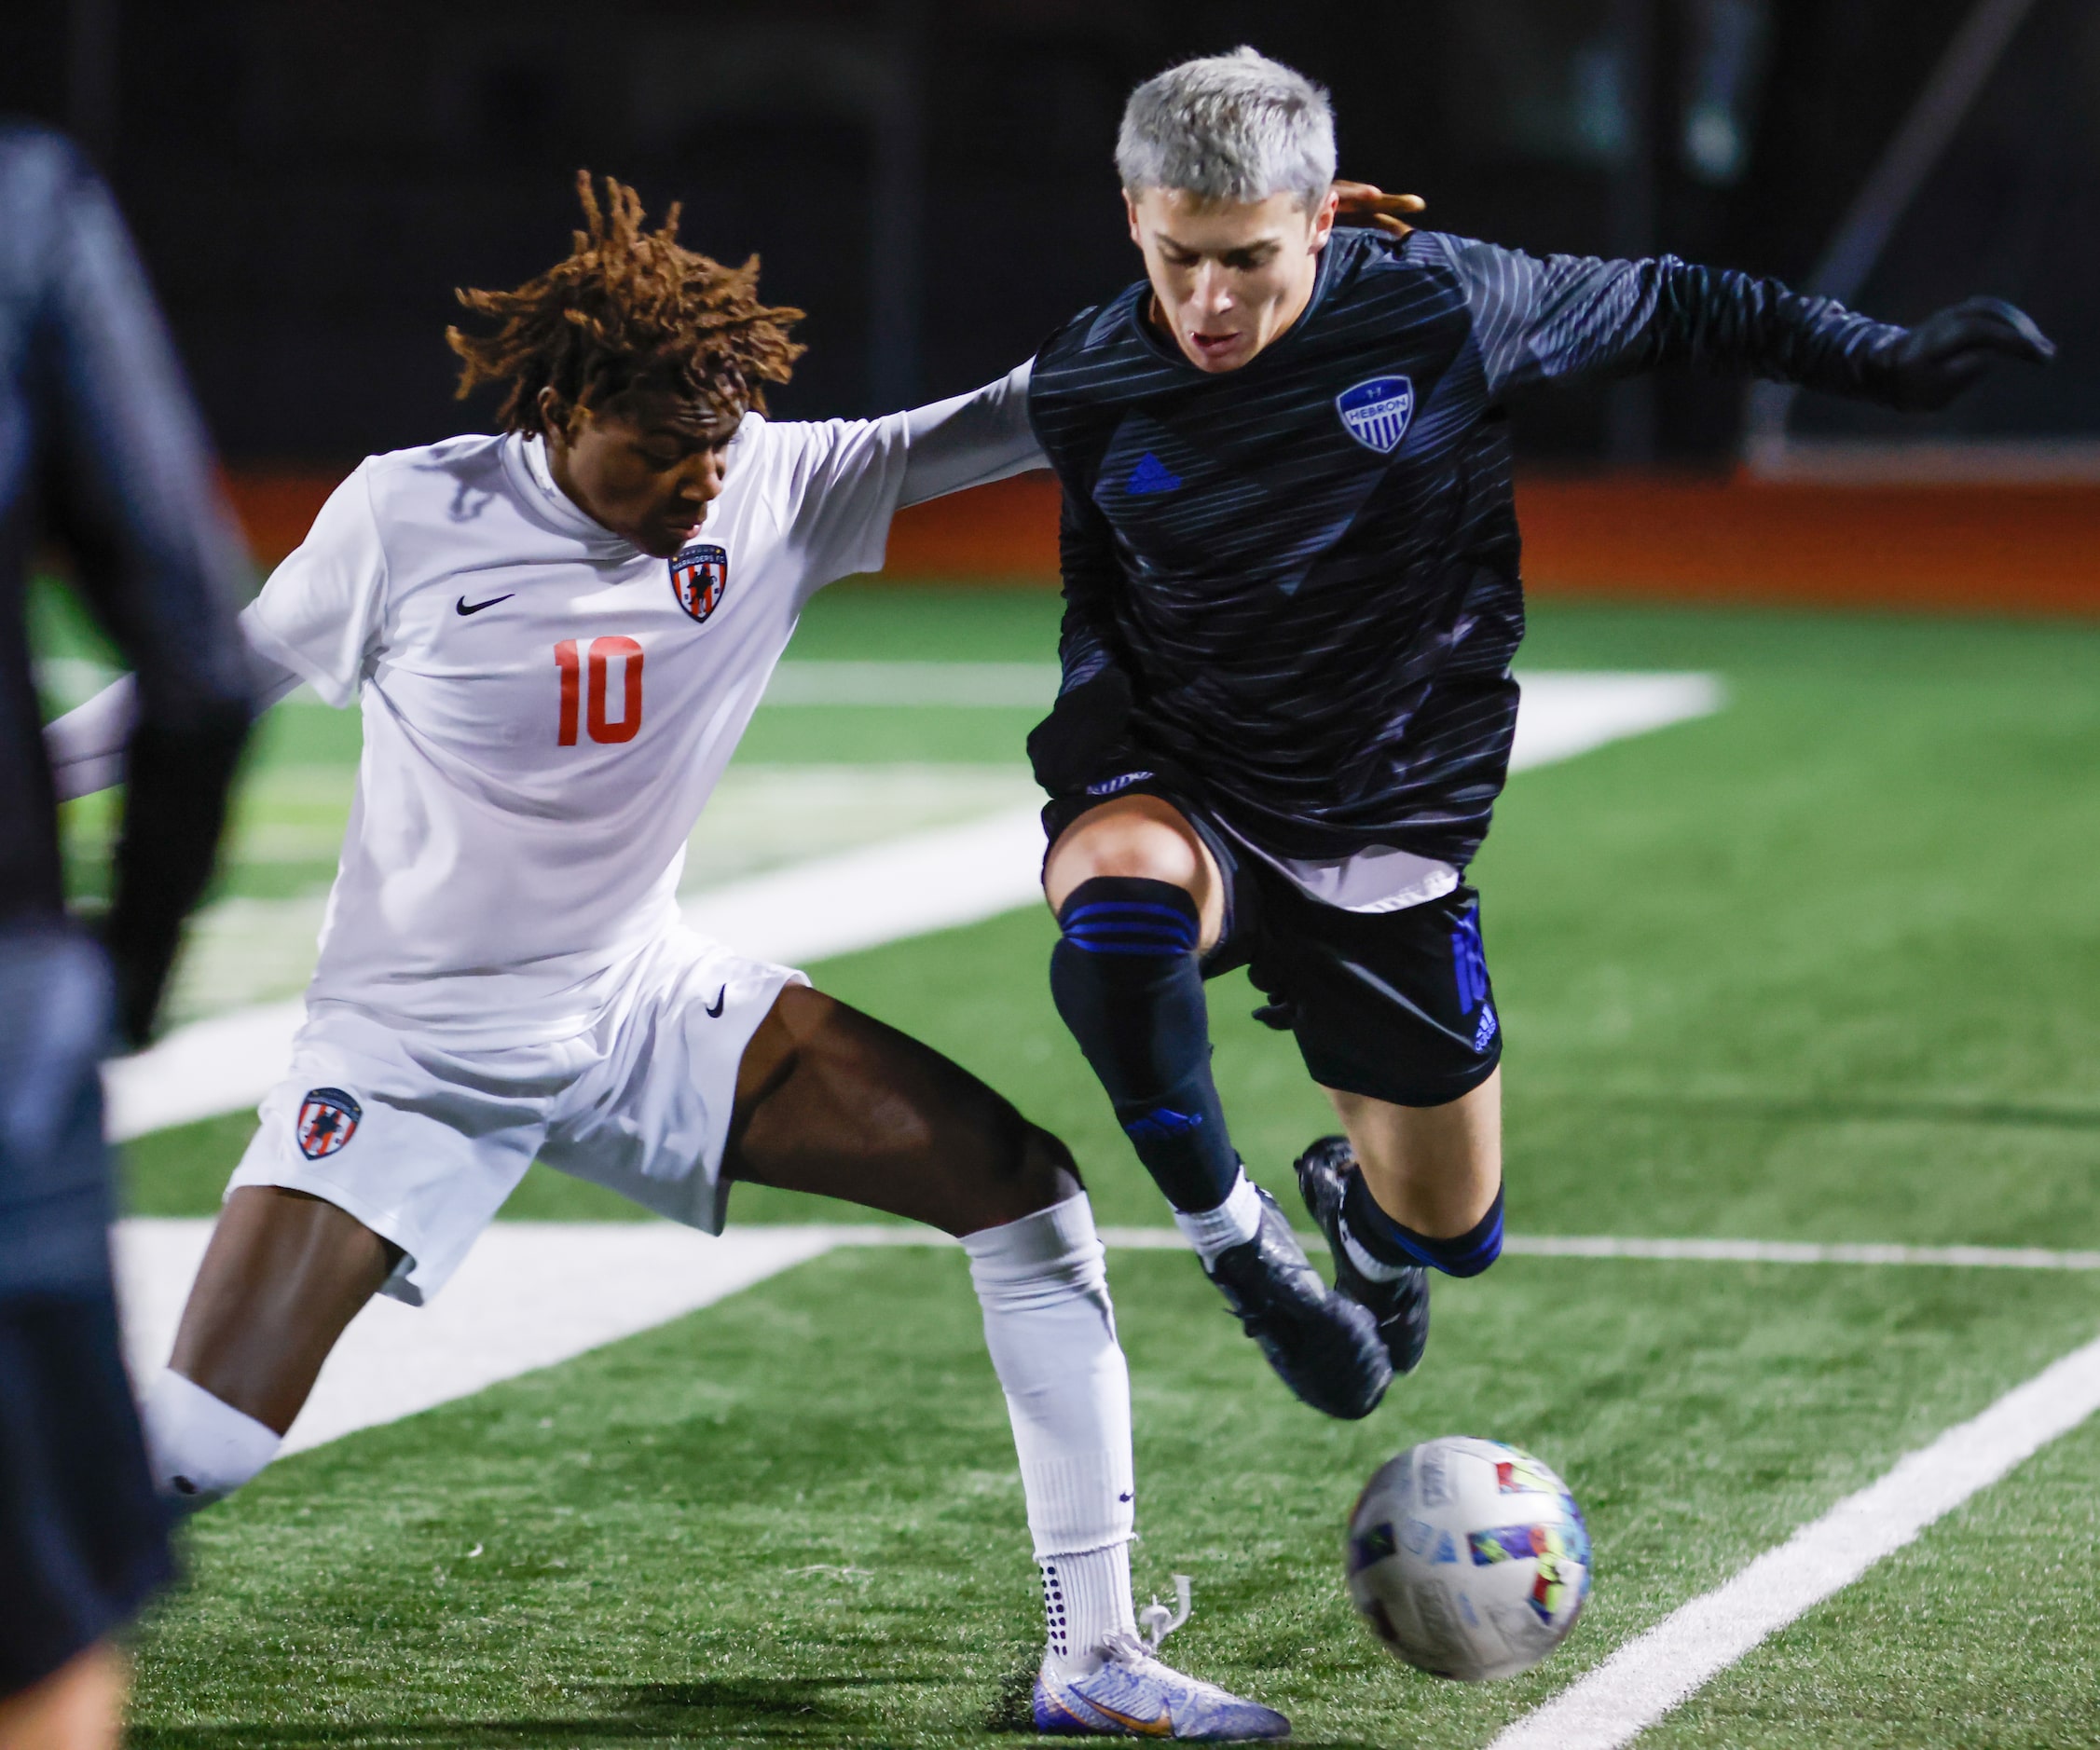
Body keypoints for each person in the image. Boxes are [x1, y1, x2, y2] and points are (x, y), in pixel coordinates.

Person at [45, 173, 1288, 1742]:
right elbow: (208, 682)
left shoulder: (771, 482)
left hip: (637, 1006)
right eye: (663, 448)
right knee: (199, 1446)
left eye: (721, 440)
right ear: (564, 409)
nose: (705, 478)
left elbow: (1024, 408)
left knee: (1023, 1185)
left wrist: (1265, 278)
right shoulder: (411, 512)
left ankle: (1093, 1652)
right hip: (408, 1050)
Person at [1023, 48, 2055, 1421]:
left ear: (1321, 220)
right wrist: (1095, 767)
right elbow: (1092, 587)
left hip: (1389, 817)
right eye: (1177, 258)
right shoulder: (1088, 379)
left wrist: (1885, 360)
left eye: (1249, 259)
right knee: (1115, 910)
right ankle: (1244, 1250)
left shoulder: (1439, 305)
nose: (1208, 301)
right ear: (1132, 217)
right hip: (1184, 778)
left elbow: (1678, 300)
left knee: (1458, 1229)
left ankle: (1368, 1224)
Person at [0, 125, 254, 1748]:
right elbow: (200, 660)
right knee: (41, 1629)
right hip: (0, 1039)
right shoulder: (25, 207)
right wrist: (118, 983)